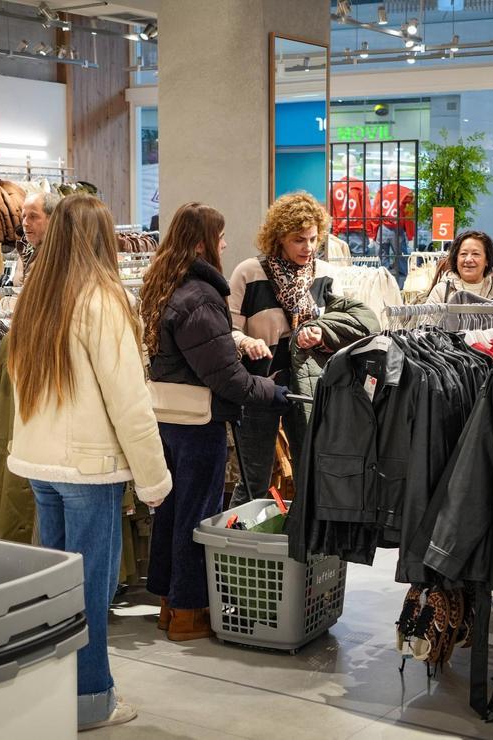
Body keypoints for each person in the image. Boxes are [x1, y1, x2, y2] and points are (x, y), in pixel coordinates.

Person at [6, 194, 171, 730]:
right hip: (88, 468)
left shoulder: (37, 295)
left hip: (41, 465)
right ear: (103, 238)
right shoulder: (102, 298)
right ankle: (91, 698)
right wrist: (154, 477)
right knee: (89, 589)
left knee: (54, 588)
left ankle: (50, 691)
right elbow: (129, 400)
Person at [140, 202, 287, 641]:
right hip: (197, 424)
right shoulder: (201, 297)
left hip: (168, 420)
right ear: (203, 241)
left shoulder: (164, 286)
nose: (226, 242)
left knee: (170, 513)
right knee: (196, 516)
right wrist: (273, 391)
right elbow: (229, 380)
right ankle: (188, 612)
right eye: (220, 235)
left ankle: (168, 603)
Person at [228, 192, 335, 508]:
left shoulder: (325, 274)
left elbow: (340, 328)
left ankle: (305, 552)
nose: (308, 247)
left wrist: (323, 334)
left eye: (314, 239)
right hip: (260, 385)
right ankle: (240, 549)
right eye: (299, 240)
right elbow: (227, 330)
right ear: (279, 238)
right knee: (254, 482)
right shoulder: (249, 273)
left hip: (308, 387)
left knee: (309, 477)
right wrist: (246, 342)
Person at [425, 229, 493, 303]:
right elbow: (428, 322)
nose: (468, 260)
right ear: (456, 259)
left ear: (487, 260)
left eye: (475, 254)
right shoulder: (441, 291)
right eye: (463, 254)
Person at [14, 191, 60, 286]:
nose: (25, 223)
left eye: (33, 216)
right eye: (24, 216)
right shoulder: (25, 248)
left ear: (53, 218)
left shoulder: (61, 255)